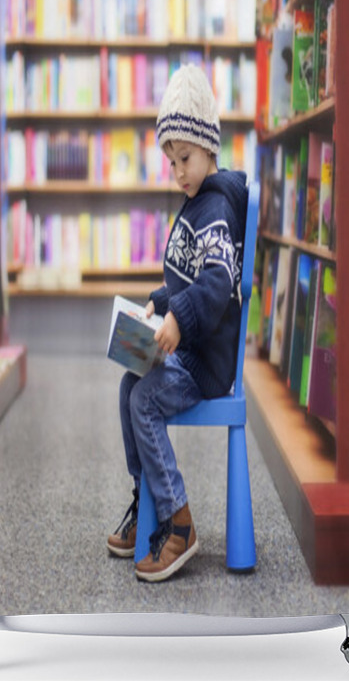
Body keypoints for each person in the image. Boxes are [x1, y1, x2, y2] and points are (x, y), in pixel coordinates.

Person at [107, 63, 249, 582]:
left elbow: (215, 284)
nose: (179, 171)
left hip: (205, 361)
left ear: (209, 147)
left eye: (185, 158)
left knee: (143, 399)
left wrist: (178, 319)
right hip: (187, 347)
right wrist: (157, 302)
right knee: (128, 388)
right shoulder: (195, 205)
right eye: (171, 162)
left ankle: (178, 522)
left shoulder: (215, 209)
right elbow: (187, 280)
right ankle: (146, 502)